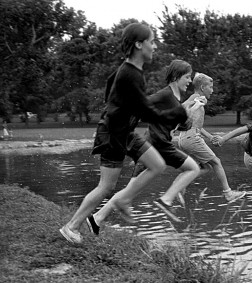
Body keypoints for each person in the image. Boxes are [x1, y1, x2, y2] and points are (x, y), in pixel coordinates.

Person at [59, 23, 188, 244]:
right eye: (152, 41)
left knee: (157, 164)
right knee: (106, 186)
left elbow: (113, 87)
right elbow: (148, 111)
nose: (154, 46)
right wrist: (176, 113)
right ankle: (71, 227)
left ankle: (124, 199)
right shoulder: (130, 74)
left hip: (124, 132)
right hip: (112, 136)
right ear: (139, 44)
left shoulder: (129, 71)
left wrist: (116, 107)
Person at [89, 59, 203, 227]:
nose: (190, 81)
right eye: (187, 77)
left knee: (129, 191)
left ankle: (97, 218)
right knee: (193, 168)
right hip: (157, 145)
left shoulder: (174, 98)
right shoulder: (165, 95)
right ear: (176, 77)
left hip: (156, 144)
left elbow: (179, 123)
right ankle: (166, 200)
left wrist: (192, 109)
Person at [178, 72, 246, 203]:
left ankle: (182, 182)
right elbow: (181, 107)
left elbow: (196, 125)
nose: (213, 90)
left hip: (186, 138)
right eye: (211, 87)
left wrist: (210, 137)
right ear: (203, 87)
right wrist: (194, 102)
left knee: (206, 167)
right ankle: (228, 193)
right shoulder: (196, 97)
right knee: (216, 162)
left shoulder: (197, 99)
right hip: (190, 137)